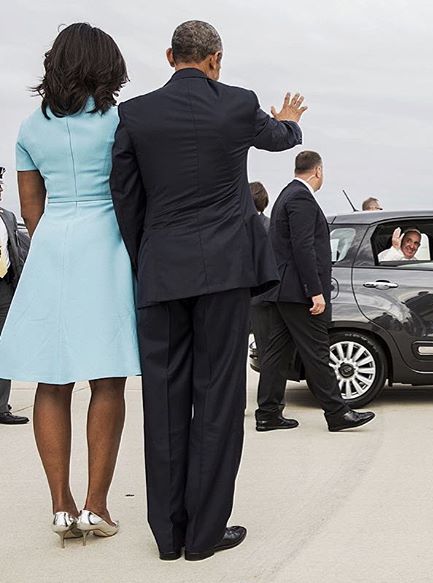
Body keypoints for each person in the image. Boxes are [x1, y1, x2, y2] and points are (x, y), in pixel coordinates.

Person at [110, 20, 304, 561]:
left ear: (171, 55)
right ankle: (205, 533)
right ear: (216, 59)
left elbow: (125, 196)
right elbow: (279, 137)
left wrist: (146, 255)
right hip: (223, 273)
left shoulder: (135, 113)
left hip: (161, 271)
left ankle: (167, 536)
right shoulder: (239, 104)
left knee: (163, 401)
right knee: (217, 398)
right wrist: (289, 121)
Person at [0, 23, 140, 546]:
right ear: (107, 66)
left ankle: (59, 506)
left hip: (53, 248)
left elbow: (31, 211)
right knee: (107, 379)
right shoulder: (118, 122)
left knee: (51, 379)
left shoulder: (30, 127)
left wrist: (55, 239)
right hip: (106, 248)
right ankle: (96, 506)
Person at [255, 151, 375, 432]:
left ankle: (268, 414)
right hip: (299, 293)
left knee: (276, 353)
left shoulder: (287, 193)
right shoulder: (301, 198)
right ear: (318, 170)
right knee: (318, 351)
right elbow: (303, 247)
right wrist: (315, 291)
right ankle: (337, 413)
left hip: (284, 291)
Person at [0, 165, 30, 425]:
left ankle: (1, 408)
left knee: (4, 348)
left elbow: (19, 247)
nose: (0, 190)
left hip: (4, 288)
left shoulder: (8, 217)